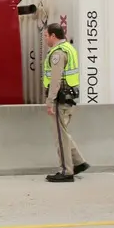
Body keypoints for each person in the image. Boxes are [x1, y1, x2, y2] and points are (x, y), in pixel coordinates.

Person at [42, 22, 89, 182]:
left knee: (60, 137)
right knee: (63, 133)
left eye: (46, 35)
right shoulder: (70, 48)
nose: (45, 39)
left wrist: (50, 101)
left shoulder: (58, 53)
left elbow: (55, 79)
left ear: (53, 36)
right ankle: (78, 162)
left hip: (59, 99)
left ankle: (66, 171)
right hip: (68, 98)